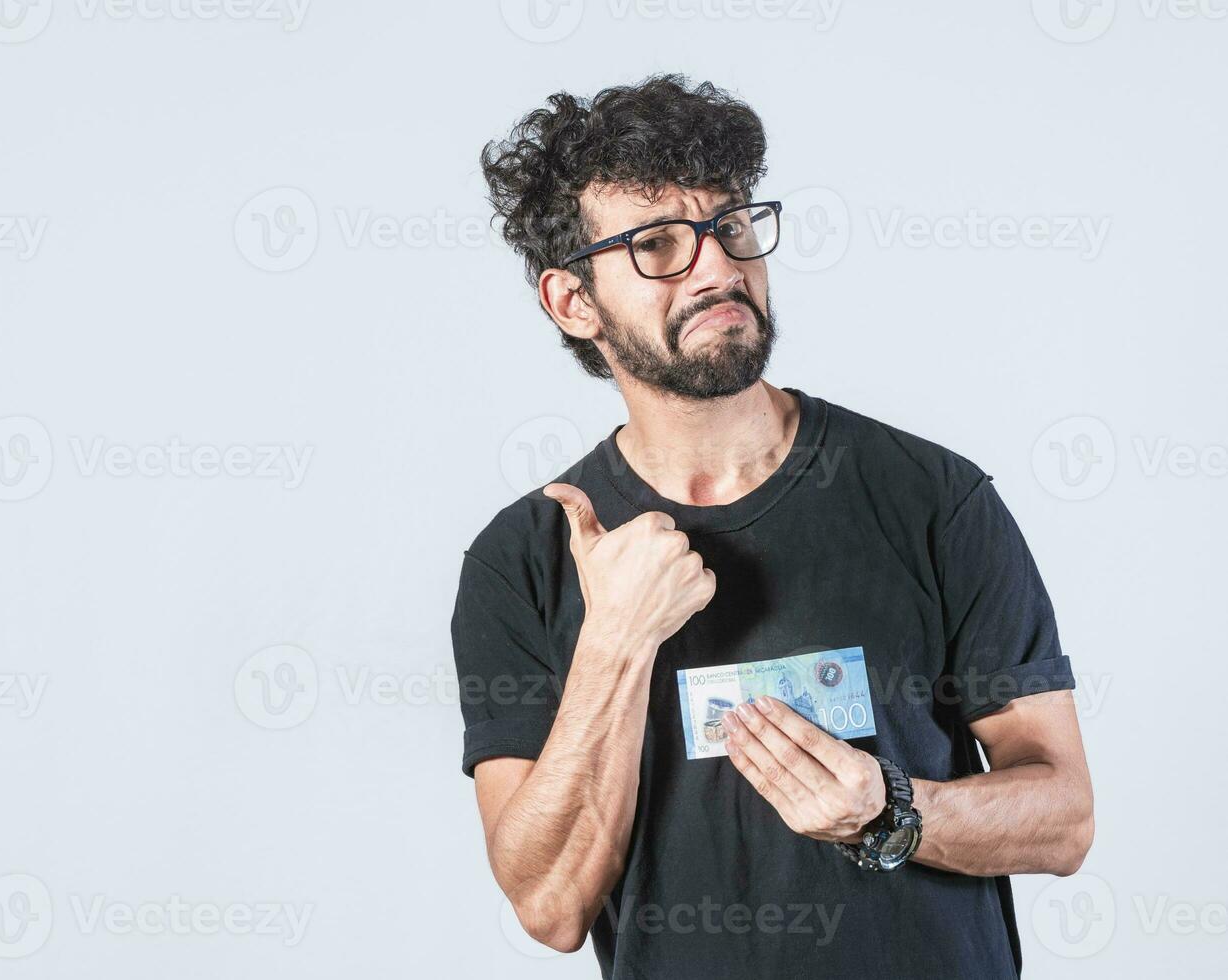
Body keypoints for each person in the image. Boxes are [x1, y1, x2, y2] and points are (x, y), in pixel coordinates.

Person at [451, 74, 1093, 980]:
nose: (716, 267)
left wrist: (891, 809)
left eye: (731, 226)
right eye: (657, 245)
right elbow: (550, 906)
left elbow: (1065, 818)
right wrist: (617, 641)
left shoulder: (930, 497)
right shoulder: (523, 559)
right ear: (572, 301)